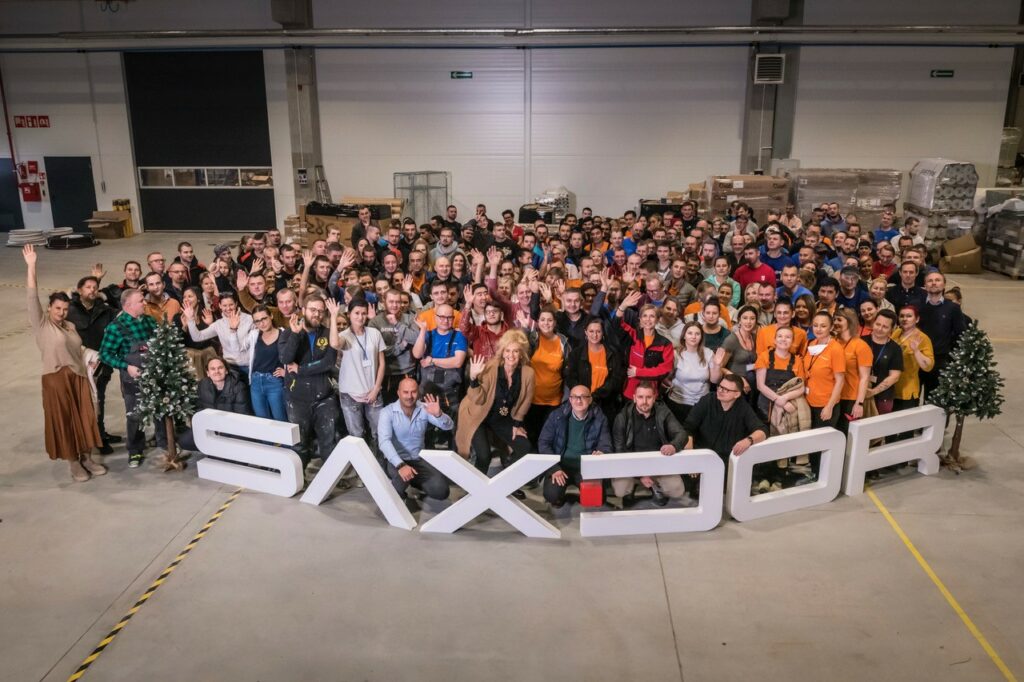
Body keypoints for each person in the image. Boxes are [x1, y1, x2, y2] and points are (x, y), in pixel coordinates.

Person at [24, 245, 105, 481]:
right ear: (49, 308)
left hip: (78, 377)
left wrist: (89, 357)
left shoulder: (69, 326)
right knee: (65, 421)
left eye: (65, 309)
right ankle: (74, 463)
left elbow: (76, 347)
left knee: (85, 417)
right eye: (57, 308)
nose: (61, 312)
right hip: (56, 379)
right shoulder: (42, 325)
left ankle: (87, 458)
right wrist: (31, 266)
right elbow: (31, 296)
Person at [455, 330, 535, 484]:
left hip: (502, 417)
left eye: (516, 351)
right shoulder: (491, 368)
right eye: (507, 351)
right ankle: (475, 487)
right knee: (484, 455)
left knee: (524, 447)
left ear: (521, 354)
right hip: (478, 416)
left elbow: (526, 401)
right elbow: (478, 399)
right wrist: (473, 379)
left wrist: (517, 424)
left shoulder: (528, 373)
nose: (511, 355)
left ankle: (504, 484)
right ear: (502, 352)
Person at [99, 287, 158, 468]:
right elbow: (105, 354)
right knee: (134, 415)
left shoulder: (149, 321)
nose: (145, 303)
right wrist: (127, 367)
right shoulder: (115, 328)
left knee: (160, 409)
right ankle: (135, 450)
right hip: (132, 378)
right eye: (141, 301)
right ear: (128, 305)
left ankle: (164, 442)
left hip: (154, 374)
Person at [279, 295, 340, 465]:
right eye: (313, 310)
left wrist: (302, 369)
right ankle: (300, 476)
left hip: (324, 398)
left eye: (321, 311)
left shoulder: (327, 333)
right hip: (297, 399)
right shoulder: (289, 333)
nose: (317, 314)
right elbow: (285, 359)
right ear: (304, 310)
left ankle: (332, 476)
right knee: (299, 444)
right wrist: (295, 335)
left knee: (329, 442)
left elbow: (329, 362)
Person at [66, 270, 119, 453]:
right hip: (78, 364)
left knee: (99, 400)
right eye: (88, 287)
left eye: (95, 287)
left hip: (101, 364)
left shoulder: (105, 309)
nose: (92, 290)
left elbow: (122, 312)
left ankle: (100, 435)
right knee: (82, 402)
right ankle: (86, 437)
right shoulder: (69, 310)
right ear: (79, 290)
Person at [611, 381, 688, 507]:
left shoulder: (663, 412)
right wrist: (640, 475)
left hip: (658, 464)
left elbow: (681, 434)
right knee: (620, 490)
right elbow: (620, 452)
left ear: (654, 398)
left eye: (648, 397)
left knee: (677, 490)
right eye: (640, 397)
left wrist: (673, 446)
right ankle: (633, 486)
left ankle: (655, 486)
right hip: (631, 465)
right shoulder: (622, 417)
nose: (644, 401)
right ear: (634, 398)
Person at [378, 378, 453, 502]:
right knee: (398, 487)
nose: (409, 396)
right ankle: (398, 491)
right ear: (398, 393)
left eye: (413, 392)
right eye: (405, 392)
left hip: (418, 460)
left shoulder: (425, 408)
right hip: (396, 461)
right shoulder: (387, 412)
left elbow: (448, 426)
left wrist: (439, 414)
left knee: (442, 491)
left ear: (418, 393)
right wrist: (401, 465)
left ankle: (415, 482)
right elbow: (384, 442)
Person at [538, 385, 613, 508]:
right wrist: (554, 468)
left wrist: (602, 452)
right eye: (575, 397)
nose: (579, 400)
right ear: (570, 399)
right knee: (552, 495)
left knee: (597, 499)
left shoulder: (600, 418)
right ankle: (560, 497)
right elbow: (543, 442)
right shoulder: (557, 416)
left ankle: (584, 494)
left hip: (585, 468)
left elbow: (606, 443)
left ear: (590, 399)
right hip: (561, 466)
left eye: (583, 397)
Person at [326, 298, 386, 445]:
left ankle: (378, 458)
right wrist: (333, 316)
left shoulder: (374, 333)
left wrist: (376, 389)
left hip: (373, 391)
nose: (360, 317)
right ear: (349, 315)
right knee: (356, 435)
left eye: (363, 313)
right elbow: (334, 343)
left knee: (379, 432)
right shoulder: (345, 335)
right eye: (357, 313)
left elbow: (382, 363)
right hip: (350, 394)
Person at [683, 374, 768, 466]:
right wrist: (691, 459)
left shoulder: (743, 408)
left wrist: (748, 440)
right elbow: (688, 428)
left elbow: (762, 430)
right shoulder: (707, 400)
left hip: (727, 460)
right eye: (720, 387)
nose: (720, 391)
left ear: (737, 394)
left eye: (726, 389)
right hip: (701, 455)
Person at [614, 294, 674, 401]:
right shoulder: (633, 335)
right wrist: (623, 306)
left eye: (652, 316)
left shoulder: (665, 344)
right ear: (640, 319)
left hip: (651, 393)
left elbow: (665, 370)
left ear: (657, 319)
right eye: (645, 316)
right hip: (630, 391)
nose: (648, 319)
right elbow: (617, 323)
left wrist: (638, 372)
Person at [412, 303, 468, 417]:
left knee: (450, 423)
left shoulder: (459, 336)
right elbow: (417, 354)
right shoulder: (428, 335)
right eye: (442, 317)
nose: (445, 321)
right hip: (427, 394)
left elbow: (458, 362)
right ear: (435, 317)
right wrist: (422, 330)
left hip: (450, 396)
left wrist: (432, 361)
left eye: (449, 317)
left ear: (453, 318)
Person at [918, 271, 967, 400]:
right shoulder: (917, 305)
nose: (934, 283)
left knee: (933, 402)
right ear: (925, 285)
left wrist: (951, 358)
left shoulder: (953, 308)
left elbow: (961, 335)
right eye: (930, 280)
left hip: (940, 361)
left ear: (944, 284)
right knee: (911, 401)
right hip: (917, 359)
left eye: (937, 280)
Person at [369, 288, 422, 403]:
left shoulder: (409, 318)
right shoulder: (375, 322)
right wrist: (400, 347)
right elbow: (377, 351)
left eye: (397, 302)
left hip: (407, 371)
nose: (394, 305)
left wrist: (397, 324)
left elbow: (416, 339)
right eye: (391, 302)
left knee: (410, 406)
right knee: (389, 407)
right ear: (384, 302)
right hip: (387, 373)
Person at [525, 308, 570, 444]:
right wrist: (525, 328)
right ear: (538, 322)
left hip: (554, 400)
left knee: (549, 437)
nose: (546, 323)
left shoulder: (563, 342)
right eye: (542, 320)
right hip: (532, 399)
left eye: (550, 320)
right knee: (532, 436)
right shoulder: (533, 339)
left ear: (555, 322)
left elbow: (567, 371)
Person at [183, 293, 253, 379]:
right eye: (224, 305)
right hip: (230, 367)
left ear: (236, 304)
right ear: (220, 306)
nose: (228, 308)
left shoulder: (249, 319)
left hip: (249, 366)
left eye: (231, 304)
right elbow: (197, 337)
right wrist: (190, 319)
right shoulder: (218, 324)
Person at [666, 321, 721, 426]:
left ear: (701, 337)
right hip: (679, 403)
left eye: (697, 334)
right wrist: (671, 385)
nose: (693, 337)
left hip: (702, 403)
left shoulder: (708, 353)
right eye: (690, 333)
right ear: (684, 336)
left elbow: (715, 380)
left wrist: (717, 365)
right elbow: (666, 377)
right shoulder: (676, 354)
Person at [802, 311, 846, 431]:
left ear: (831, 327)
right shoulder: (810, 343)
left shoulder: (836, 349)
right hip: (808, 402)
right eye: (815, 325)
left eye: (823, 326)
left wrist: (829, 406)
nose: (818, 329)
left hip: (825, 404)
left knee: (822, 440)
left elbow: (840, 380)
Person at [246, 305, 288, 421]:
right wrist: (234, 329)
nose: (262, 323)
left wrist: (287, 372)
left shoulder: (283, 333)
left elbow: (293, 355)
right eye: (257, 321)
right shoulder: (254, 335)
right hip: (256, 381)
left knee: (280, 419)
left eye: (264, 318)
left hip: (275, 382)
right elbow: (239, 348)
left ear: (271, 316)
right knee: (261, 421)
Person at [833, 308, 871, 433]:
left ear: (850, 321)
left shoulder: (861, 346)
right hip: (832, 395)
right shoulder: (832, 342)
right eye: (834, 319)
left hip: (850, 398)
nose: (835, 322)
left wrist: (859, 403)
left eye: (839, 319)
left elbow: (865, 377)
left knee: (846, 433)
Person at [891, 305, 935, 413]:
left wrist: (916, 351)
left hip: (907, 389)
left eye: (909, 316)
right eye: (902, 316)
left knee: (905, 422)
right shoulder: (896, 333)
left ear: (917, 319)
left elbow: (928, 366)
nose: (904, 319)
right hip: (891, 386)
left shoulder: (922, 338)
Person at [173, 286, 220, 381]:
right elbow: (176, 342)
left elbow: (217, 339)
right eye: (184, 297)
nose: (186, 299)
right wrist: (184, 327)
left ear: (198, 298)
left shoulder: (206, 314)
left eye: (190, 296)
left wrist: (210, 324)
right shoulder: (178, 317)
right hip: (190, 358)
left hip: (208, 355)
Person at [863, 309, 903, 416]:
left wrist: (873, 391)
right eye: (878, 324)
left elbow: (894, 376)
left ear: (892, 329)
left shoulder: (895, 349)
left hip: (883, 397)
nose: (879, 329)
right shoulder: (861, 341)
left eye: (885, 327)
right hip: (859, 392)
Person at [715, 304, 759, 394]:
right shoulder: (731, 340)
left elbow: (748, 364)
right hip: (735, 384)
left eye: (752, 318)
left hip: (752, 382)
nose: (748, 322)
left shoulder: (755, 337)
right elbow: (721, 367)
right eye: (745, 318)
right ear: (739, 320)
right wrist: (740, 379)